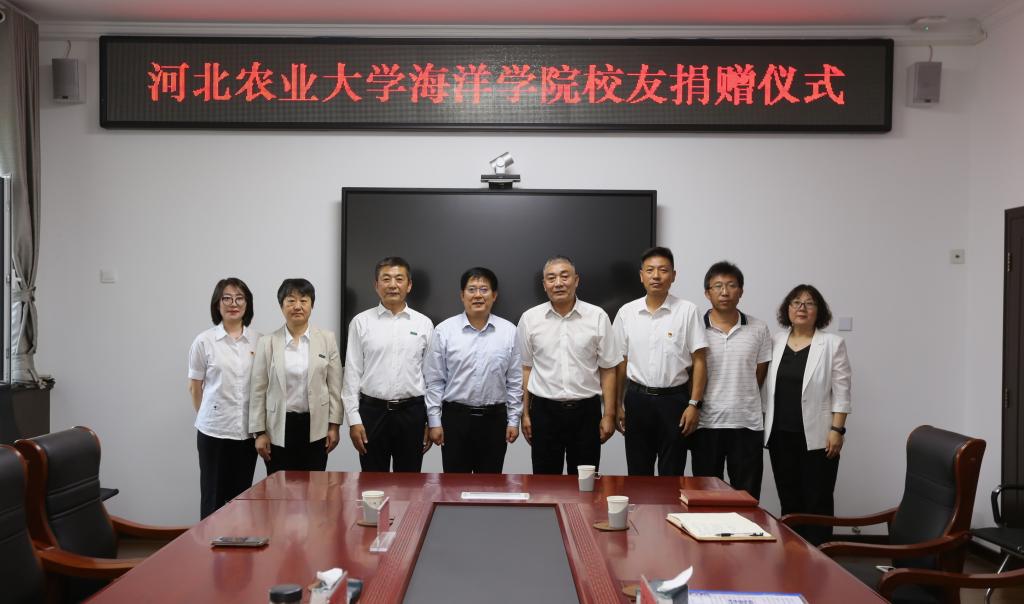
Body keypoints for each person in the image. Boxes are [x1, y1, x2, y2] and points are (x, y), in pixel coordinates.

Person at [763, 284, 851, 545]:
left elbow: (842, 392)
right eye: (796, 302)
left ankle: (821, 555)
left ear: (818, 310)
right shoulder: (775, 341)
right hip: (780, 435)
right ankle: (793, 554)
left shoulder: (832, 344)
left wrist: (837, 430)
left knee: (818, 500)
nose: (801, 308)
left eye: (809, 303)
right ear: (787, 309)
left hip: (818, 437)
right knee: (789, 499)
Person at [517, 256, 621, 475]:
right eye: (551, 278)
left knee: (585, 483)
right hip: (544, 412)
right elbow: (526, 368)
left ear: (576, 280)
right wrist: (525, 413)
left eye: (565, 276)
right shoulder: (529, 319)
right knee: (545, 482)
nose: (558, 283)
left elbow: (608, 369)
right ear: (544, 284)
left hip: (586, 412)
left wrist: (609, 414)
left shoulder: (597, 317)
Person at [612, 247, 707, 476]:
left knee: (672, 473)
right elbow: (620, 363)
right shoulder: (627, 312)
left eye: (663, 270)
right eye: (650, 270)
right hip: (637, 400)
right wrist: (617, 405)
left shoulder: (687, 311)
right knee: (638, 472)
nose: (656, 276)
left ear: (673, 275)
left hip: (675, 402)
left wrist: (694, 404)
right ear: (641, 275)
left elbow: (700, 361)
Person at [423, 267, 523, 473]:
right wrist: (434, 421)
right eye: (472, 289)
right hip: (455, 419)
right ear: (462, 295)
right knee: (453, 485)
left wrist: (514, 420)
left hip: (495, 420)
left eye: (484, 289)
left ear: (494, 295)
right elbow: (435, 381)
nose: (478, 295)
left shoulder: (509, 331)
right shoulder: (444, 331)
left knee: (491, 485)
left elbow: (514, 381)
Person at [342, 257, 434, 472]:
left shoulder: (424, 324)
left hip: (412, 413)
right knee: (372, 482)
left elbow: (431, 377)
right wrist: (354, 420)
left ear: (409, 285)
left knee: (409, 482)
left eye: (399, 279)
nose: (393, 285)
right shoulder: (360, 322)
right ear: (376, 285)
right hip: (372, 413)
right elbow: (352, 374)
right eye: (386, 279)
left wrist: (431, 420)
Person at [690, 261, 772, 498]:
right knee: (705, 497)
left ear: (741, 291)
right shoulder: (695, 328)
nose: (724, 292)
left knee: (746, 496)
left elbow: (759, 374)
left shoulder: (759, 328)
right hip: (706, 424)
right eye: (717, 286)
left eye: (731, 285)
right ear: (707, 293)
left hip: (747, 424)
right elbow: (689, 374)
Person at [249, 278, 343, 474]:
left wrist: (334, 426)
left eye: (304, 300)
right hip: (278, 427)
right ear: (281, 305)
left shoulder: (327, 339)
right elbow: (258, 390)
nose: (297, 306)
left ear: (312, 305)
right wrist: (259, 432)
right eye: (291, 300)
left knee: (314, 485)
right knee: (279, 486)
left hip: (316, 426)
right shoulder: (268, 342)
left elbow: (335, 387)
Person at [188, 278, 260, 519]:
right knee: (214, 497)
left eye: (240, 298)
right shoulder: (204, 341)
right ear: (217, 304)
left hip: (247, 433)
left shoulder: (258, 340)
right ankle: (209, 544)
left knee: (241, 499)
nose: (233, 303)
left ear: (247, 304)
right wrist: (210, 417)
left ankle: (238, 544)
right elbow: (194, 387)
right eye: (226, 298)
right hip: (214, 433)